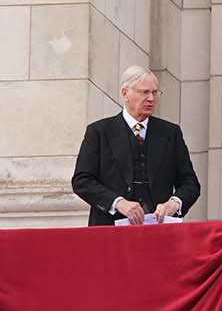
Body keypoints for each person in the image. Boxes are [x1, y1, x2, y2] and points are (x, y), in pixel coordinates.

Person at [72, 66, 201, 227]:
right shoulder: (98, 132)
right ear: (125, 93)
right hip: (109, 232)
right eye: (144, 92)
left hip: (159, 233)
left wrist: (174, 203)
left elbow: (190, 183)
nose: (151, 99)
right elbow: (82, 181)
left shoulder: (170, 133)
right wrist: (117, 202)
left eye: (155, 92)